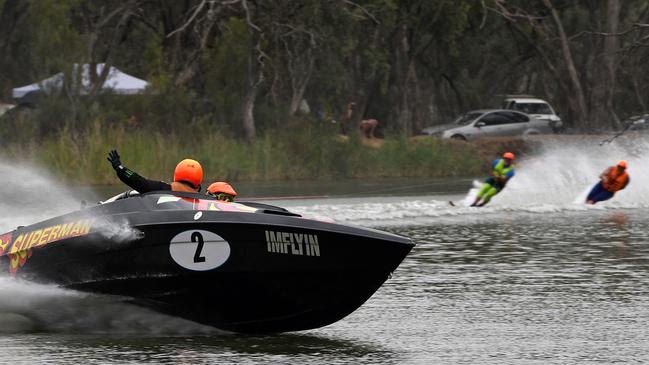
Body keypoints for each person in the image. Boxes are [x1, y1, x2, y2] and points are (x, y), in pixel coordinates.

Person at [107, 149, 203, 193]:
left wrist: (120, 168)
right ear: (198, 181)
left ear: (177, 174)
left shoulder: (164, 188)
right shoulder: (204, 201)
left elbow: (140, 182)